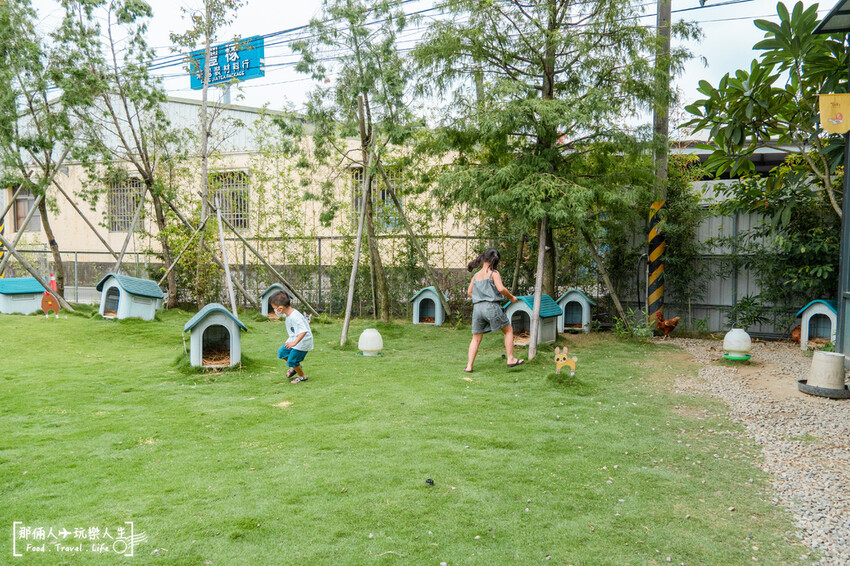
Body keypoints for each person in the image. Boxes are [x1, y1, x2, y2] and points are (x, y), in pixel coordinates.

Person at [465, 247, 524, 372]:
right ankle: (511, 359)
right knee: (508, 330)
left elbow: (469, 292)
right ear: (495, 261)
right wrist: (511, 297)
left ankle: (469, 366)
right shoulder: (494, 273)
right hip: (491, 307)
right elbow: (501, 289)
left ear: (484, 258)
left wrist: (479, 298)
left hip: (477, 308)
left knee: (476, 338)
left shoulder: (476, 275)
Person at [269, 290, 314, 384]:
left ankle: (302, 376)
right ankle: (295, 367)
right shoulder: (288, 313)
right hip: (294, 338)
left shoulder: (294, 316)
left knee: (292, 360)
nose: (274, 311)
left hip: (302, 341)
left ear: (280, 308)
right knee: (282, 352)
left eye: (274, 308)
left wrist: (294, 343)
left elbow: (303, 331)